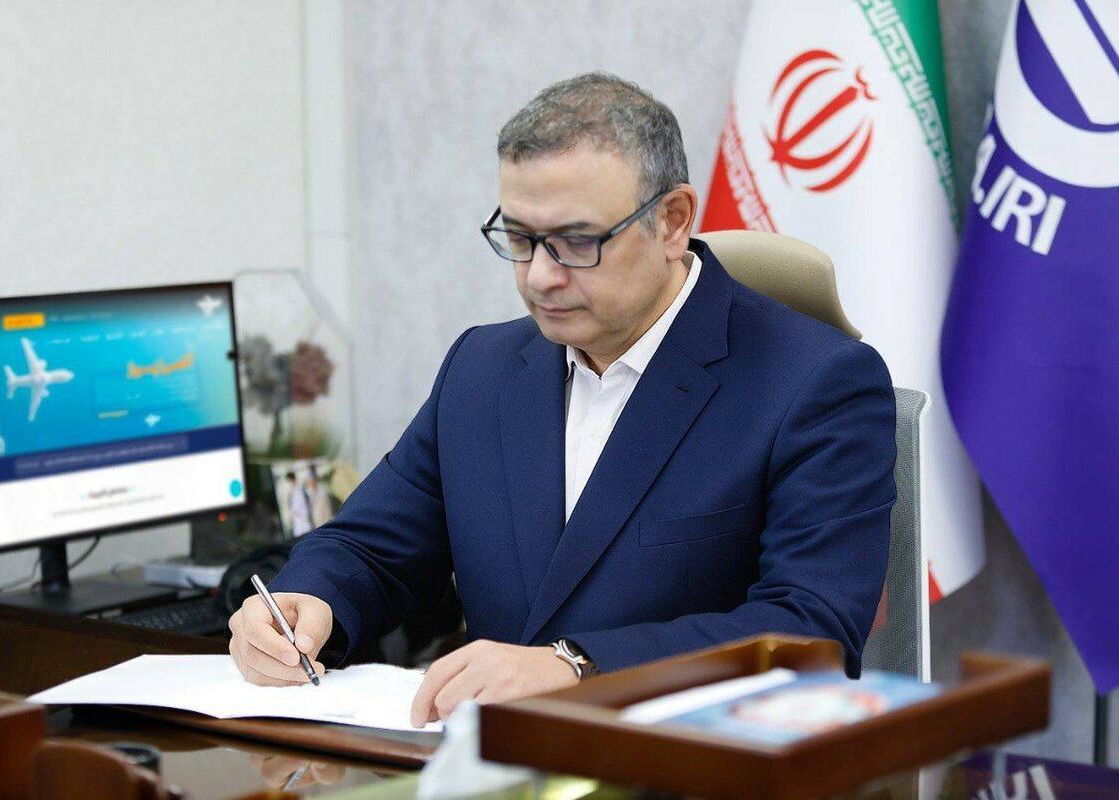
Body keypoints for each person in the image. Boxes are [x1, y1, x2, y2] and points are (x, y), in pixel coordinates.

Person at [228, 73, 896, 728]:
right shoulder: (482, 368)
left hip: (692, 762)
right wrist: (308, 601)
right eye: (520, 239)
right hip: (493, 763)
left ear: (672, 221)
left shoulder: (817, 382)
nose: (540, 277)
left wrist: (578, 666)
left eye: (577, 243)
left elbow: (812, 631)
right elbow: (373, 547)